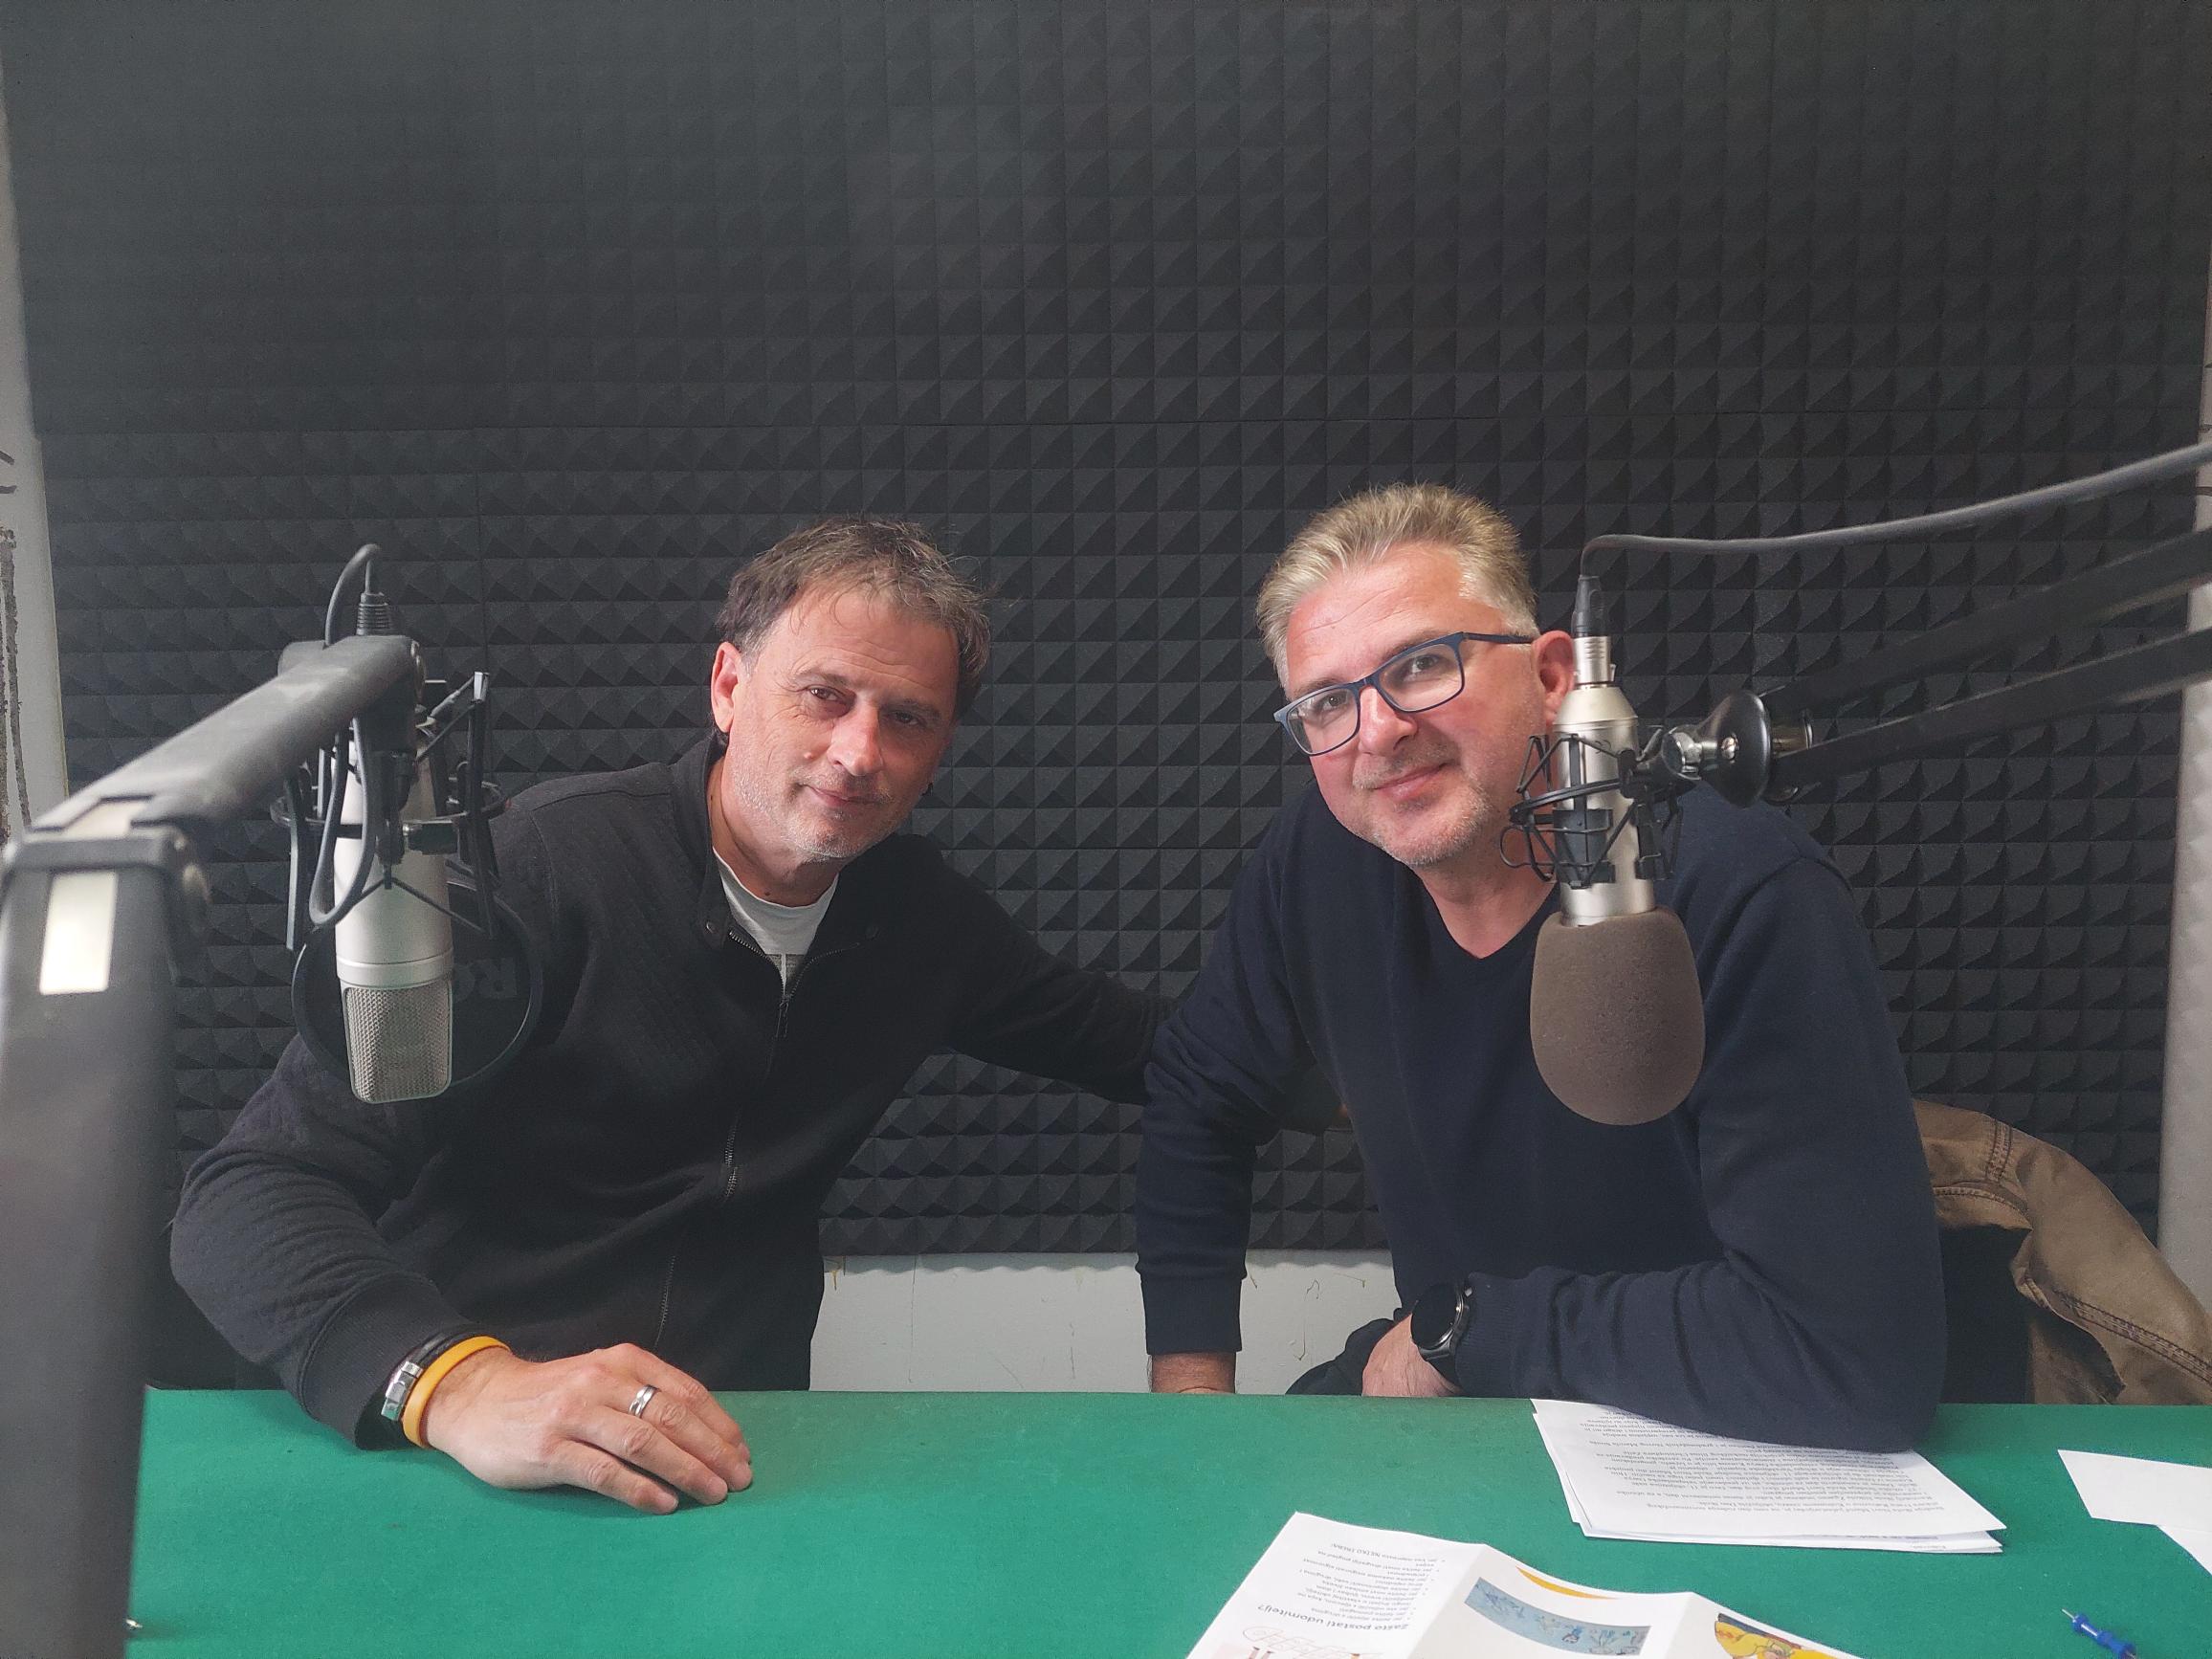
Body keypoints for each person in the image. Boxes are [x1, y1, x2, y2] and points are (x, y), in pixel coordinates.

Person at [174, 518, 1163, 1512]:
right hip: (465, 1463)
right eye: (824, 696)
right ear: (728, 686)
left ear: (940, 751)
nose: (859, 752)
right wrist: (463, 1385)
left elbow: (1161, 1054)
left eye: (907, 718)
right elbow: (247, 1194)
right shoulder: (540, 874)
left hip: (727, 1467)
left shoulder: (923, 923)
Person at [1135, 483, 1944, 1449]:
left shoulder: (1741, 887)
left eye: (1422, 665)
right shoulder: (1319, 862)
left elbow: (1851, 1357)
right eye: (1326, 704)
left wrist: (1470, 1334)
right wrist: (1190, 1391)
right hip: (1472, 1395)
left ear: (1554, 674)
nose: (1378, 731)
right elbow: (1197, 1093)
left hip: (1714, 1425)